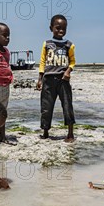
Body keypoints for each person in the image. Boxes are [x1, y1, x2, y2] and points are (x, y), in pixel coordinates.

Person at [36, 14, 76, 142]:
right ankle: (45, 131)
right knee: (46, 106)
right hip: (48, 80)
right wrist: (40, 78)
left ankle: (70, 133)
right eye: (58, 28)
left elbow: (73, 62)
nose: (61, 31)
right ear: (51, 28)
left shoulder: (69, 45)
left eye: (64, 28)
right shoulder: (47, 44)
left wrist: (68, 71)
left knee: (67, 105)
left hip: (63, 80)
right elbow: (42, 61)